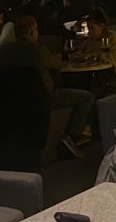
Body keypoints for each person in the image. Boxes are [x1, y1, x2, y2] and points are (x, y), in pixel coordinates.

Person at [10, 15, 94, 157]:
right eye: (36, 29)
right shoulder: (37, 50)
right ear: (31, 32)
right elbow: (59, 65)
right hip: (45, 97)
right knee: (87, 97)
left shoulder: (8, 51)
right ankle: (73, 136)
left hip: (17, 98)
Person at [85, 7, 116, 82]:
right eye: (88, 28)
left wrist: (96, 55)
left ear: (101, 26)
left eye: (92, 28)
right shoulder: (91, 40)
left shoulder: (114, 39)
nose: (89, 32)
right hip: (98, 76)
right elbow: (83, 51)